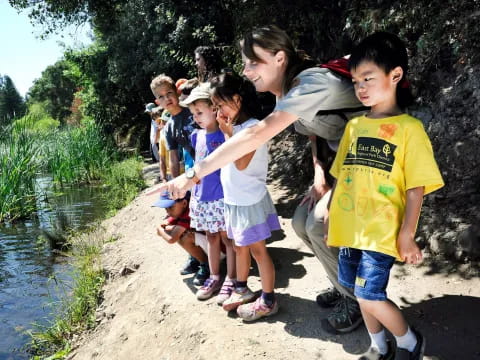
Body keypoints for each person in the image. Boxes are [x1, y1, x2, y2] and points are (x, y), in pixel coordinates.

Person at [154, 25, 365, 331]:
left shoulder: (311, 83)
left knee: (319, 224)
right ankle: (341, 284)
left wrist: (192, 175)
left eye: (253, 62)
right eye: (245, 63)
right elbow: (317, 134)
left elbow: (257, 134)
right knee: (300, 223)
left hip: (370, 161)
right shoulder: (286, 93)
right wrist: (320, 174)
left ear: (280, 58)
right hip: (339, 163)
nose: (246, 70)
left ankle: (357, 301)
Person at [326, 32, 444, 360]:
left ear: (395, 75)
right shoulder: (353, 127)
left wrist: (407, 234)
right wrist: (332, 215)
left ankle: (409, 342)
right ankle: (378, 347)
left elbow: (416, 186)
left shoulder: (409, 130)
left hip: (381, 233)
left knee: (368, 293)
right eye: (355, 80)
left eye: (368, 78)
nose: (360, 87)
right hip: (350, 231)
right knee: (360, 294)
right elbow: (341, 176)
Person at [209, 72, 281, 321]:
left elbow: (240, 163)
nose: (218, 112)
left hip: (249, 201)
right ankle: (242, 288)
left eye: (221, 105)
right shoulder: (236, 126)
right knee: (239, 247)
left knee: (258, 251)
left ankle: (269, 299)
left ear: (238, 99)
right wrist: (228, 132)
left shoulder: (252, 129)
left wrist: (228, 135)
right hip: (235, 200)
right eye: (216, 107)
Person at [180, 83, 236, 303]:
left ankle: (231, 278)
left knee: (227, 239)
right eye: (193, 113)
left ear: (214, 109)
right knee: (211, 237)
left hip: (222, 196)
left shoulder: (226, 135)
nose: (196, 117)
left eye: (199, 112)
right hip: (203, 197)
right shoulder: (197, 136)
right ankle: (214, 276)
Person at [153, 191, 210, 286]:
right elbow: (165, 229)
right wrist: (166, 228)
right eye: (166, 208)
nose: (168, 211)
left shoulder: (190, 212)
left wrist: (160, 228)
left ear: (184, 203)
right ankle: (196, 258)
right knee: (180, 232)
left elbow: (171, 238)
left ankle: (206, 265)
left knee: (184, 236)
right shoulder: (179, 211)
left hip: (219, 250)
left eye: (171, 207)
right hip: (211, 246)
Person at [150, 74, 195, 178]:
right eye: (161, 97)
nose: (166, 98)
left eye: (169, 93)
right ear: (157, 102)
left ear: (176, 92)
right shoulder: (169, 128)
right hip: (195, 170)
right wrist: (175, 183)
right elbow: (173, 159)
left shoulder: (194, 110)